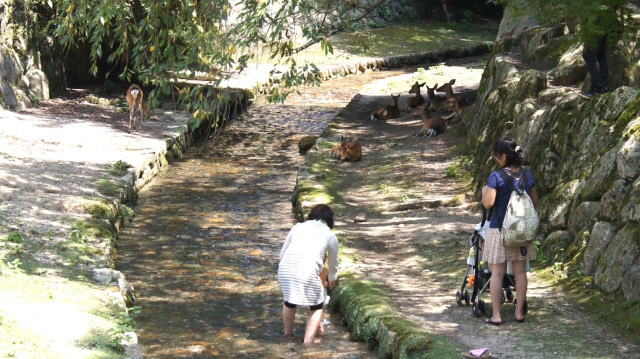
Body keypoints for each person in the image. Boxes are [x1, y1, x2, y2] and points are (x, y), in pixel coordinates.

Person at [481, 138, 539, 325]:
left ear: (504, 156)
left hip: (499, 230)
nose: (496, 160)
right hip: (521, 232)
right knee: (520, 272)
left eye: (497, 156)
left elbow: (488, 203)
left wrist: (485, 192)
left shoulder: (496, 177)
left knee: (497, 273)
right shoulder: (527, 176)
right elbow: (535, 202)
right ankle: (519, 312)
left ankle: (497, 315)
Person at [277, 204, 339, 345]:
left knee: (289, 302)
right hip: (307, 270)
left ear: (311, 216)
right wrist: (332, 279)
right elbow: (334, 263)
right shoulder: (330, 235)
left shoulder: (298, 227)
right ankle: (308, 343)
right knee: (316, 306)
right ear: (330, 221)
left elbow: (282, 254)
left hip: (285, 269)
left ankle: (288, 335)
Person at [578, 4, 624, 99]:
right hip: (607, 18)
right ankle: (604, 87)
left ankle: (597, 89)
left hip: (597, 19)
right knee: (600, 54)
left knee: (589, 54)